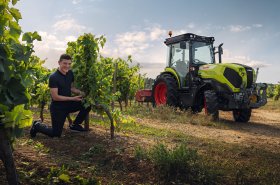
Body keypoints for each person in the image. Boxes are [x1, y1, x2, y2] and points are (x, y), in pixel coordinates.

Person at [30, 54, 91, 138]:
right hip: (58, 108)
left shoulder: (70, 73)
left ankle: (75, 125)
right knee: (56, 134)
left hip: (68, 104)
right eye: (65, 63)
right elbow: (55, 97)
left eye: (69, 64)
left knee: (87, 104)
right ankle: (37, 126)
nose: (67, 66)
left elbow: (71, 87)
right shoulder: (53, 77)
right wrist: (73, 98)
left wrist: (81, 92)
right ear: (59, 63)